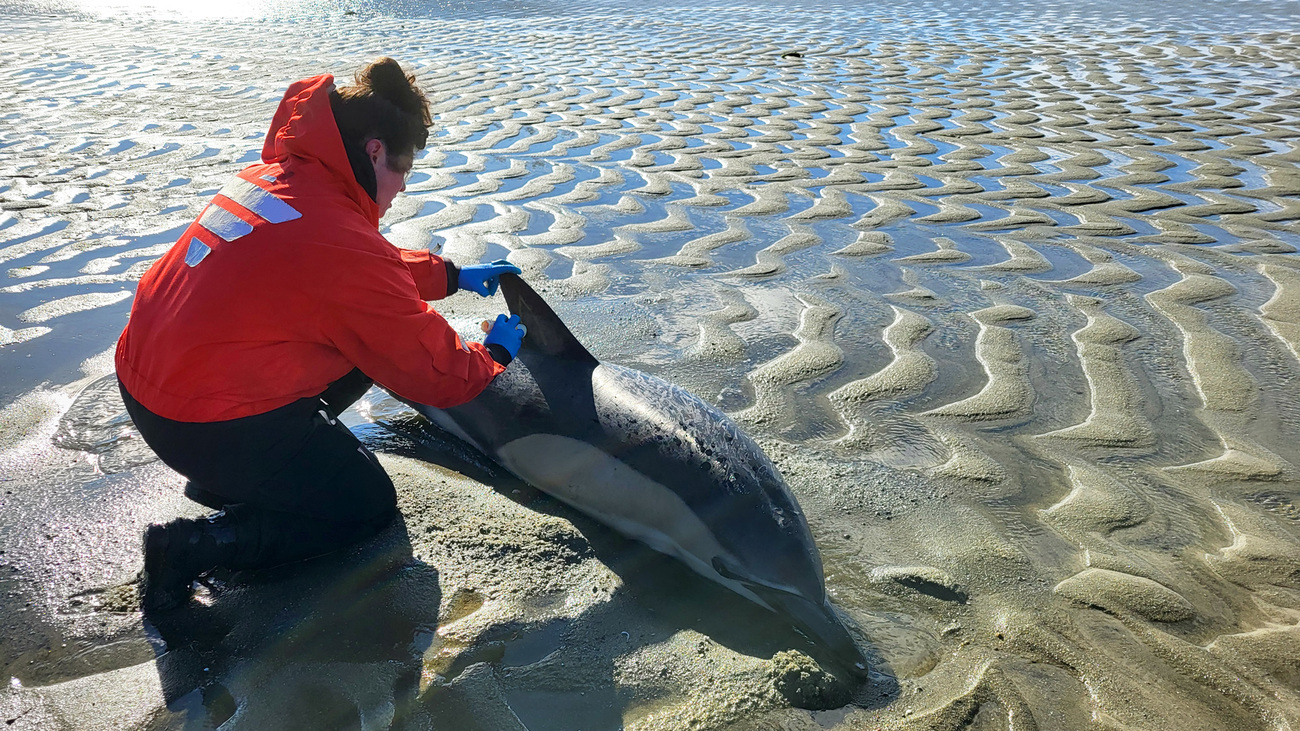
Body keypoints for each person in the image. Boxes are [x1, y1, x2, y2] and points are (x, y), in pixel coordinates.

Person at [114, 58, 526, 611]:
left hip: (151, 385)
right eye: (404, 169)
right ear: (375, 151)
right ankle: (195, 546)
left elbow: (345, 270)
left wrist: (449, 275)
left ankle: (240, 480)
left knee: (357, 346)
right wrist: (494, 353)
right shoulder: (338, 241)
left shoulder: (284, 181)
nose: (403, 186)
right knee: (366, 509)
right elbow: (436, 372)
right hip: (200, 420)